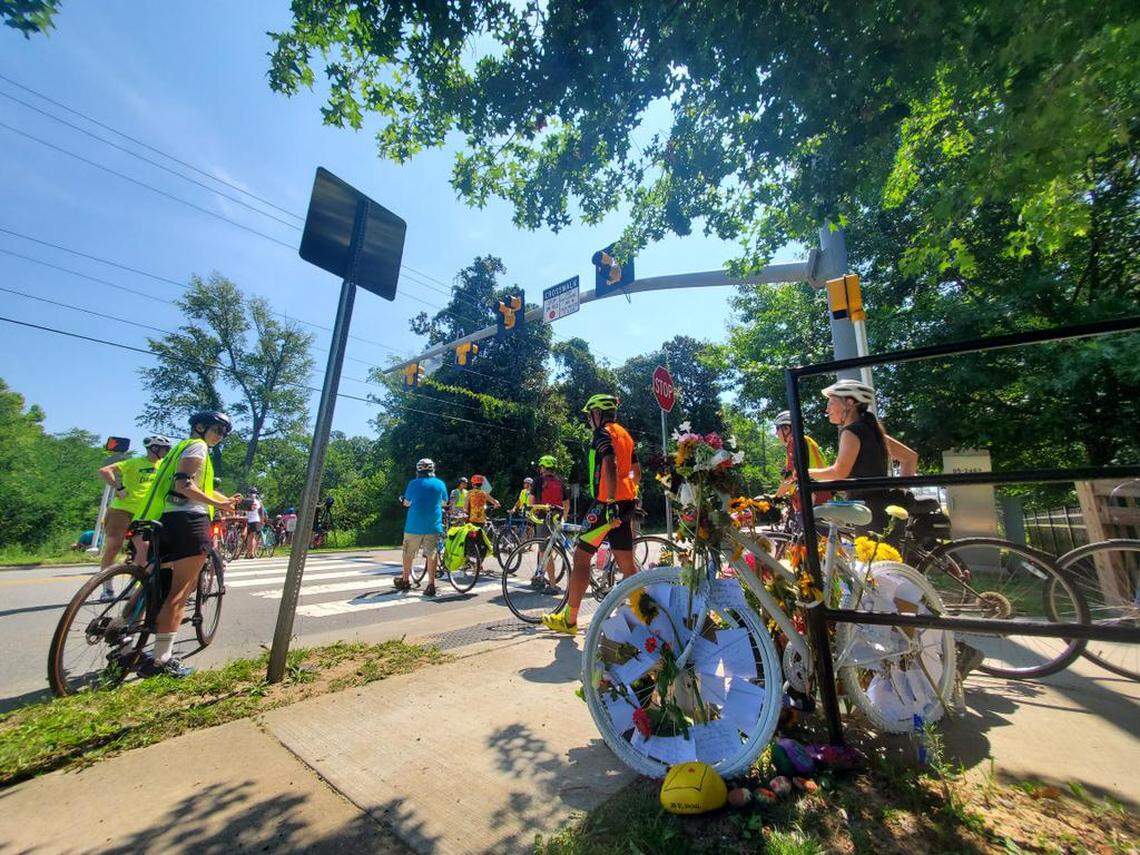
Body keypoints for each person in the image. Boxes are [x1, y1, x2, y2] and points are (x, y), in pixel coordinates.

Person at [134, 410, 240, 678]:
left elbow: (192, 485)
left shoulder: (177, 449)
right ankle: (161, 660)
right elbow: (184, 486)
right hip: (189, 522)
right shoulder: (198, 447)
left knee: (153, 583)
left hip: (164, 519)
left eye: (224, 433)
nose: (220, 436)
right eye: (217, 430)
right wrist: (216, 504)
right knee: (180, 591)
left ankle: (123, 637)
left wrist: (224, 500)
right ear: (201, 427)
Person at [542, 394, 641, 635]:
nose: (589, 420)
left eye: (589, 415)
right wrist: (628, 494)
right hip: (625, 503)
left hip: (605, 505)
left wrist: (611, 500)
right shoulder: (625, 435)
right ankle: (647, 616)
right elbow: (636, 471)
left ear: (598, 413)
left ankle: (570, 620)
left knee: (581, 557)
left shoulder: (602, 433)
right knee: (628, 565)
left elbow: (609, 463)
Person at [807, 379, 917, 537]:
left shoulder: (851, 432)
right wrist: (900, 494)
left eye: (831, 403)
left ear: (849, 403)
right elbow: (910, 457)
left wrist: (805, 473)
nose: (827, 409)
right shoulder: (873, 430)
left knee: (872, 554)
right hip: (883, 506)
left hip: (868, 512)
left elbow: (839, 472)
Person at [96, 435, 171, 601]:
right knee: (114, 546)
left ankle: (132, 587)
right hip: (122, 510)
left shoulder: (164, 465)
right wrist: (119, 488)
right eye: (164, 449)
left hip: (144, 513)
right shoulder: (134, 462)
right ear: (154, 448)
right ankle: (107, 589)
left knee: (143, 548)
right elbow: (105, 470)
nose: (166, 452)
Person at [393, 458, 448, 596]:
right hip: (433, 525)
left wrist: (402, 499)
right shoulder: (440, 483)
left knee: (408, 553)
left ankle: (405, 580)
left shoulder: (413, 483)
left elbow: (406, 503)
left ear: (418, 470)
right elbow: (444, 502)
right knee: (432, 554)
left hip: (414, 525)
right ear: (433, 469)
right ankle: (431, 585)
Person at [771, 411, 832, 510]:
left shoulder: (795, 442)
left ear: (786, 429)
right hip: (821, 493)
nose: (776, 433)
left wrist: (776, 497)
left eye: (777, 429)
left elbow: (790, 478)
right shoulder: (807, 440)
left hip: (812, 498)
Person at [531, 454, 570, 590]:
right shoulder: (560, 481)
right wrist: (564, 517)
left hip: (543, 518)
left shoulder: (538, 481)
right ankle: (540, 575)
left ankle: (552, 584)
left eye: (541, 467)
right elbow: (566, 503)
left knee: (545, 550)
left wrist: (532, 513)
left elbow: (531, 501)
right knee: (548, 548)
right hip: (556, 518)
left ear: (543, 467)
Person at [463, 473, 500, 575]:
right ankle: (478, 565)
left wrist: (465, 512)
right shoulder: (484, 493)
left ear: (473, 483)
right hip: (481, 522)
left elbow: (465, 508)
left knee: (468, 541)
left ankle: (466, 561)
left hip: (471, 521)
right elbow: (496, 503)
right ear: (481, 484)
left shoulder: (469, 493)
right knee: (481, 543)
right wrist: (496, 505)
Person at [243, 488, 267, 558]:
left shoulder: (246, 501)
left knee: (250, 537)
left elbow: (241, 510)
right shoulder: (257, 502)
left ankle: (250, 553)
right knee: (251, 537)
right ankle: (251, 553)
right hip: (254, 520)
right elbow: (261, 512)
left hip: (249, 520)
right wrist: (262, 521)